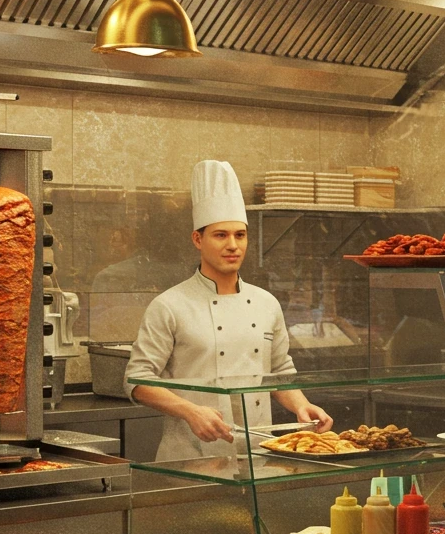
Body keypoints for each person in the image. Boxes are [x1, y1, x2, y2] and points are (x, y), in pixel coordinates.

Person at [124, 160, 332, 461]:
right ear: (198, 239)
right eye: (221, 235)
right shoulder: (169, 305)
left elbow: (279, 373)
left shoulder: (266, 303)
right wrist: (190, 412)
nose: (232, 245)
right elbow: (137, 380)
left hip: (258, 456)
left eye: (240, 235)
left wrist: (301, 404)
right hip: (191, 458)